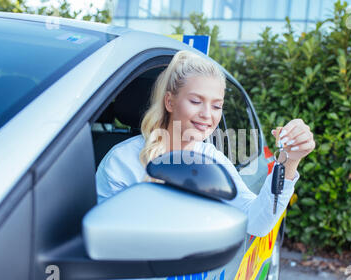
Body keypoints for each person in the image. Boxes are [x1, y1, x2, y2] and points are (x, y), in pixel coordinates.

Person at [95, 50, 315, 237]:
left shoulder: (213, 160)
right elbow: (104, 239)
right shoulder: (121, 161)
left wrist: (290, 161)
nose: (207, 115)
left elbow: (257, 223)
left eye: (217, 106)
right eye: (196, 101)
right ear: (170, 101)